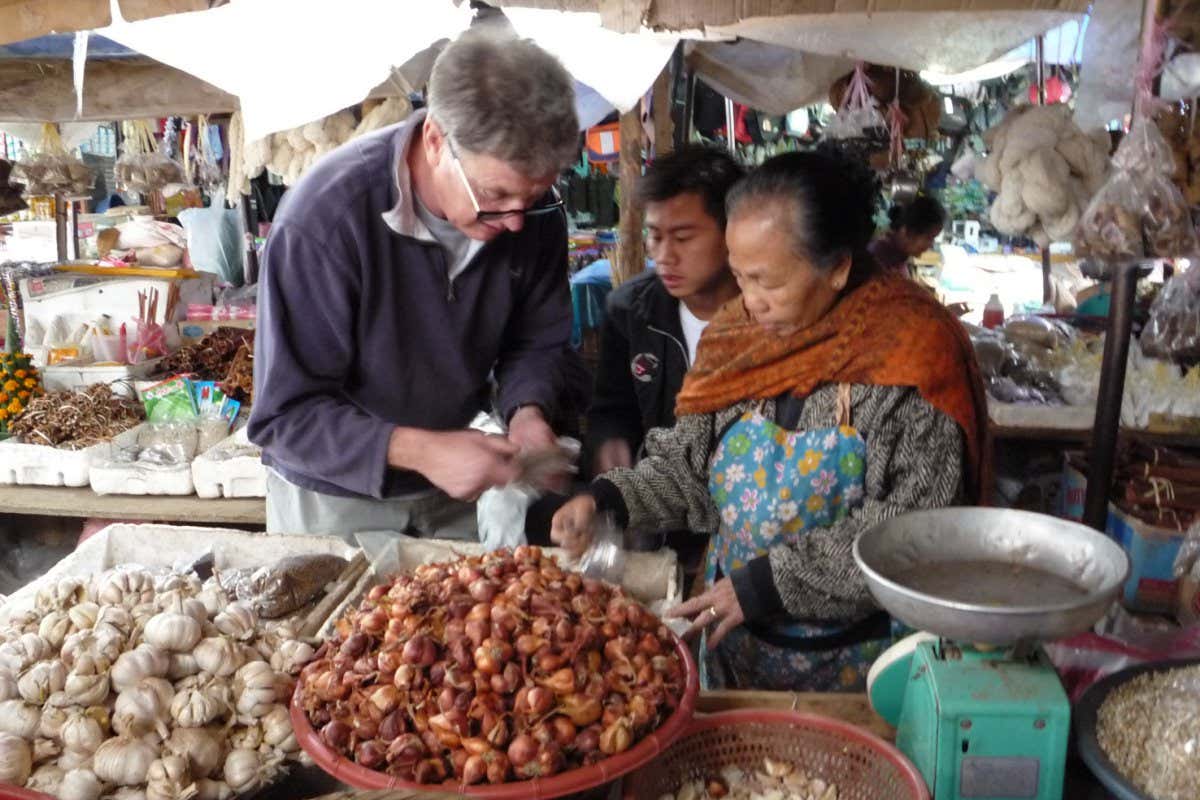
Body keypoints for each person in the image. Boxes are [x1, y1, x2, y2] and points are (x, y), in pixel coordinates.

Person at [552, 151, 986, 692]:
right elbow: (689, 470)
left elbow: (917, 528)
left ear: (838, 269)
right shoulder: (737, 339)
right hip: (732, 651)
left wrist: (768, 584)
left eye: (767, 282)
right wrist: (608, 500)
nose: (750, 303)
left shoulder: (912, 355)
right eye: (739, 277)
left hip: (857, 668)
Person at [248, 30, 579, 539]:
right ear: (435, 141)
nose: (516, 222)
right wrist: (422, 449)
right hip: (334, 499)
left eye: (532, 199)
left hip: (454, 489)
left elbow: (534, 341)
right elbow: (286, 416)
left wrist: (527, 413)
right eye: (496, 194)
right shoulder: (325, 222)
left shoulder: (533, 215)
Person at [587, 146, 744, 477]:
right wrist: (611, 443)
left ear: (733, 231)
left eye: (683, 238)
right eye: (655, 236)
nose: (664, 255)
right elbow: (613, 409)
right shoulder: (630, 311)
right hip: (662, 505)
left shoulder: (769, 312)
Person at [869, 194, 946, 277]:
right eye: (929, 237)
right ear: (910, 231)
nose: (931, 244)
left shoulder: (898, 258)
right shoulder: (878, 258)